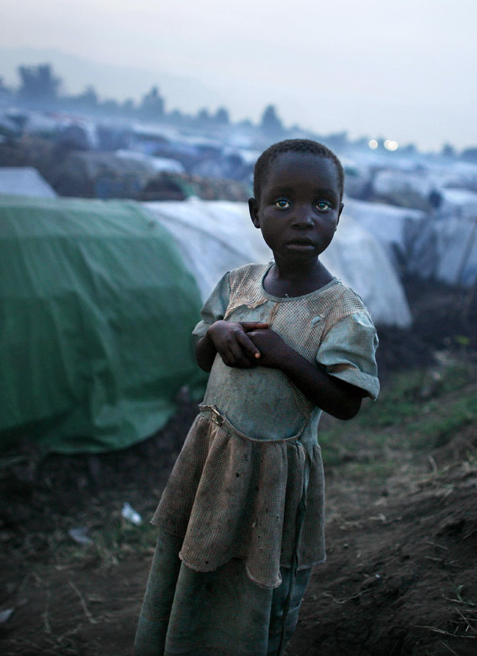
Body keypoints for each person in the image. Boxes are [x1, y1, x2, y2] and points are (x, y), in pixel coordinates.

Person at [133, 139, 380, 655]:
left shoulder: (341, 312)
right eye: (283, 202)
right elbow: (203, 353)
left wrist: (286, 356)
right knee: (193, 561)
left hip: (275, 482)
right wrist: (218, 332)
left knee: (255, 583)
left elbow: (346, 403)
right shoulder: (238, 284)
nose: (304, 218)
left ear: (339, 216)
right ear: (255, 212)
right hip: (212, 461)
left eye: (323, 204)